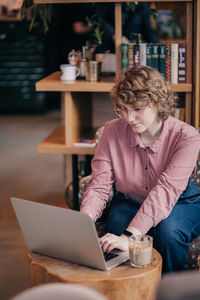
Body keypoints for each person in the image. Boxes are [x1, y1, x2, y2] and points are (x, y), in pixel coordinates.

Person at [80, 65, 200, 273]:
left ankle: (169, 292)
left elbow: (166, 190)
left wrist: (130, 237)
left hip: (180, 203)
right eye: (123, 109)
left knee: (168, 232)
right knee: (115, 223)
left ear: (158, 102)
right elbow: (99, 185)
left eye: (137, 109)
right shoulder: (111, 131)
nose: (129, 118)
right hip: (131, 200)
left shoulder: (187, 136)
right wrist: (83, 223)